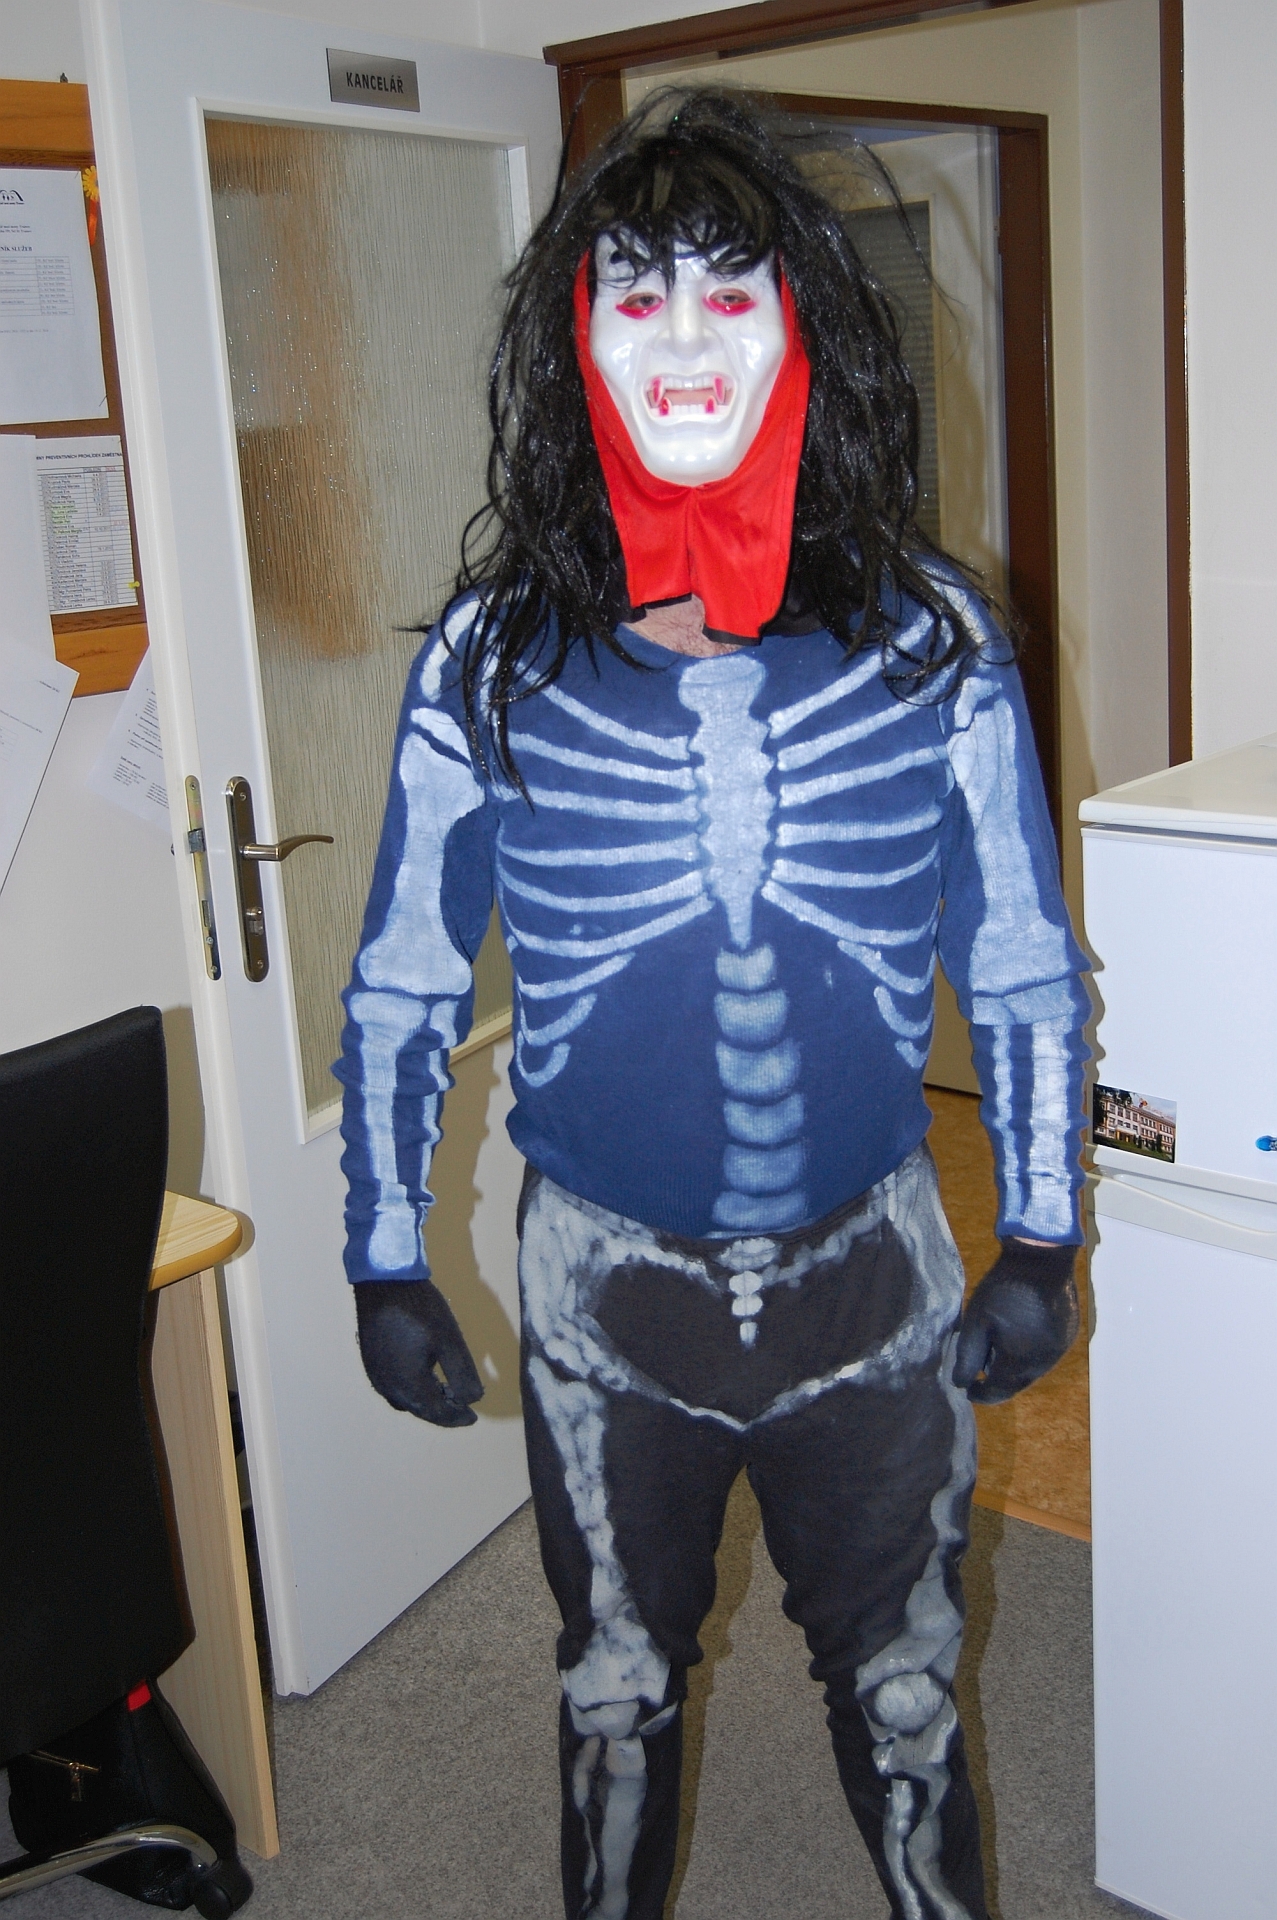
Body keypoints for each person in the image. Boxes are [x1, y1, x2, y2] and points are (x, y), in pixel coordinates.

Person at [334, 88, 1088, 1920]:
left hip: (872, 1275)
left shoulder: (930, 636)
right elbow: (406, 972)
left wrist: (1042, 1232)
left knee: (905, 1685)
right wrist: (380, 1252)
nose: (682, 340)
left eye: (730, 294)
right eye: (635, 293)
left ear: (806, 329)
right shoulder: (490, 655)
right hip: (605, 1295)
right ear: (571, 339)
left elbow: (1015, 950)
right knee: (611, 1688)